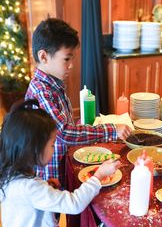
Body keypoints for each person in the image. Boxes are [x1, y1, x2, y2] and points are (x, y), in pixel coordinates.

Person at [25, 17, 131, 187]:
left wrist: (79, 124)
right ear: (44, 56)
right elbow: (65, 133)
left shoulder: (52, 84)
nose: (71, 65)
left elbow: (61, 123)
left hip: (60, 166)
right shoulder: (41, 91)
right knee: (52, 214)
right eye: (67, 59)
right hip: (49, 176)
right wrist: (111, 130)